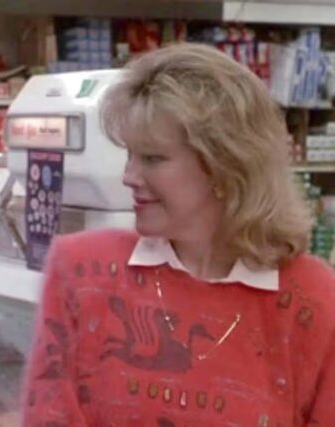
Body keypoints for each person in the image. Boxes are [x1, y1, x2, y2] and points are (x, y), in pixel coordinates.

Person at [21, 43, 335, 426]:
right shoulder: (80, 271)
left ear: (225, 165)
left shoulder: (313, 301)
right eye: (129, 155)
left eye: (153, 158)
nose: (129, 177)